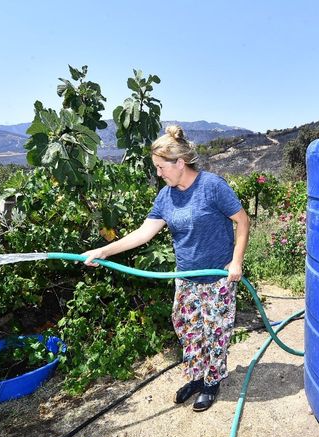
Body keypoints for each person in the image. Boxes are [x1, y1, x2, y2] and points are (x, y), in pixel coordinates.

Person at [81, 125, 250, 412]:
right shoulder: (166, 196)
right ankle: (196, 377)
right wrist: (103, 250)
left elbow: (243, 221)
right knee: (187, 328)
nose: (159, 174)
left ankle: (212, 382)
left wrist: (236, 261)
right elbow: (143, 233)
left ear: (180, 163)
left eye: (161, 167)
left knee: (214, 331)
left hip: (217, 278)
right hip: (185, 278)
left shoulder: (212, 187)